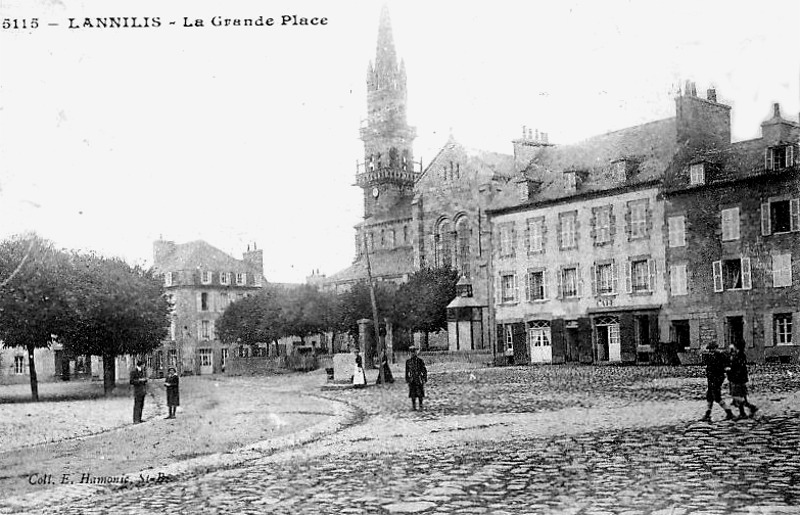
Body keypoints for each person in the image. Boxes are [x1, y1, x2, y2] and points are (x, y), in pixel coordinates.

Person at [701, 342, 735, 422]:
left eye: (712, 349)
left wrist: (726, 370)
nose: (711, 351)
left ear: (716, 348)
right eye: (709, 349)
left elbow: (726, 366)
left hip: (717, 377)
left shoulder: (721, 355)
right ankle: (708, 414)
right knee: (709, 395)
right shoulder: (710, 356)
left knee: (716, 396)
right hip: (711, 378)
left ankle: (729, 412)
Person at [727, 344, 758, 420]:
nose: (731, 351)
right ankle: (744, 411)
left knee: (736, 396)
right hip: (738, 379)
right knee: (741, 396)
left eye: (732, 349)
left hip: (737, 379)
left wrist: (729, 369)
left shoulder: (738, 357)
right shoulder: (738, 356)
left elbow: (737, 368)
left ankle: (747, 410)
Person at [405, 346, 427, 410]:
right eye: (411, 352)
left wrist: (424, 378)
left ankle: (420, 405)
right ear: (410, 353)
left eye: (414, 352)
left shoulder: (420, 361)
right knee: (412, 393)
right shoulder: (408, 361)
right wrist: (407, 379)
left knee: (420, 393)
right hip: (412, 379)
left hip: (418, 378)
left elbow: (424, 370)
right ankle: (414, 406)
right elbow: (407, 371)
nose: (413, 354)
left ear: (416, 353)